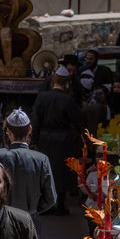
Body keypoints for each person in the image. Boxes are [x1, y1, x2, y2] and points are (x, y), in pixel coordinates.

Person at [33, 65, 83, 214]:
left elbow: (36, 120)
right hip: (64, 140)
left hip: (45, 139)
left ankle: (46, 205)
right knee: (61, 173)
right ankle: (59, 205)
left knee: (46, 171)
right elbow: (78, 121)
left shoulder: (42, 97)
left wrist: (34, 140)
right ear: (66, 83)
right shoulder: (68, 99)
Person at [0, 108, 57, 218]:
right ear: (30, 129)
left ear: (8, 131)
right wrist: (33, 210)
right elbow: (51, 198)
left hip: (2, 218)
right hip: (30, 218)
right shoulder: (41, 159)